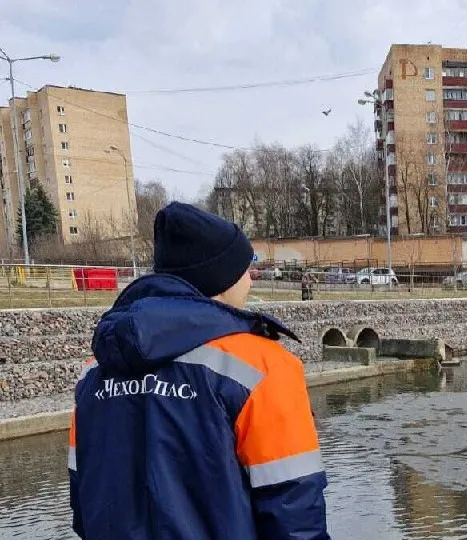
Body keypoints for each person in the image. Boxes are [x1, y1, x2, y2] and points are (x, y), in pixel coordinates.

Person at [68, 202, 330, 540]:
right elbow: (295, 514)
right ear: (220, 279)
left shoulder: (94, 373)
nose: (250, 279)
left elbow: (83, 501)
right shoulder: (263, 368)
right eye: (244, 268)